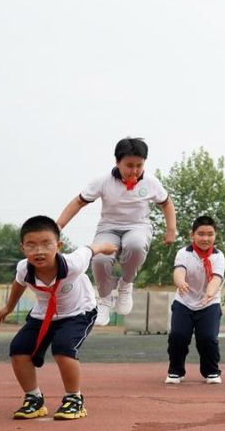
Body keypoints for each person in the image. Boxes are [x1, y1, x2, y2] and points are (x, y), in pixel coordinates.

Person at [0, 215, 117, 420]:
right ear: (22, 248)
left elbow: (89, 248)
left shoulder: (73, 264)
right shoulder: (24, 268)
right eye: (31, 245)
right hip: (43, 315)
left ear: (58, 245)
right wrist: (8, 307)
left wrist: (105, 246)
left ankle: (74, 399)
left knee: (63, 348)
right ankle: (34, 399)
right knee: (18, 349)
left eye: (46, 244)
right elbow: (19, 284)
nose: (39, 251)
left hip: (79, 311)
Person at [57, 137, 177, 326]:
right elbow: (79, 201)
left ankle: (126, 284)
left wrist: (171, 229)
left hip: (138, 226)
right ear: (117, 162)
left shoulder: (150, 182)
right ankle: (104, 298)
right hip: (109, 228)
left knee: (135, 245)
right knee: (100, 259)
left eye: (139, 165)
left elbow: (166, 203)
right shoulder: (103, 182)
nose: (135, 171)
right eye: (129, 165)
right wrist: (58, 226)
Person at [165, 216, 225, 385]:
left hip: (209, 303)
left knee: (208, 338)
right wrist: (180, 282)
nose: (205, 238)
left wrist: (209, 293)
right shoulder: (183, 253)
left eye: (210, 234)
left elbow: (216, 278)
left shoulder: (218, 256)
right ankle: (175, 371)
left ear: (215, 235)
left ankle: (211, 371)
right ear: (192, 234)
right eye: (201, 234)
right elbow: (178, 271)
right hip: (184, 302)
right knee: (178, 336)